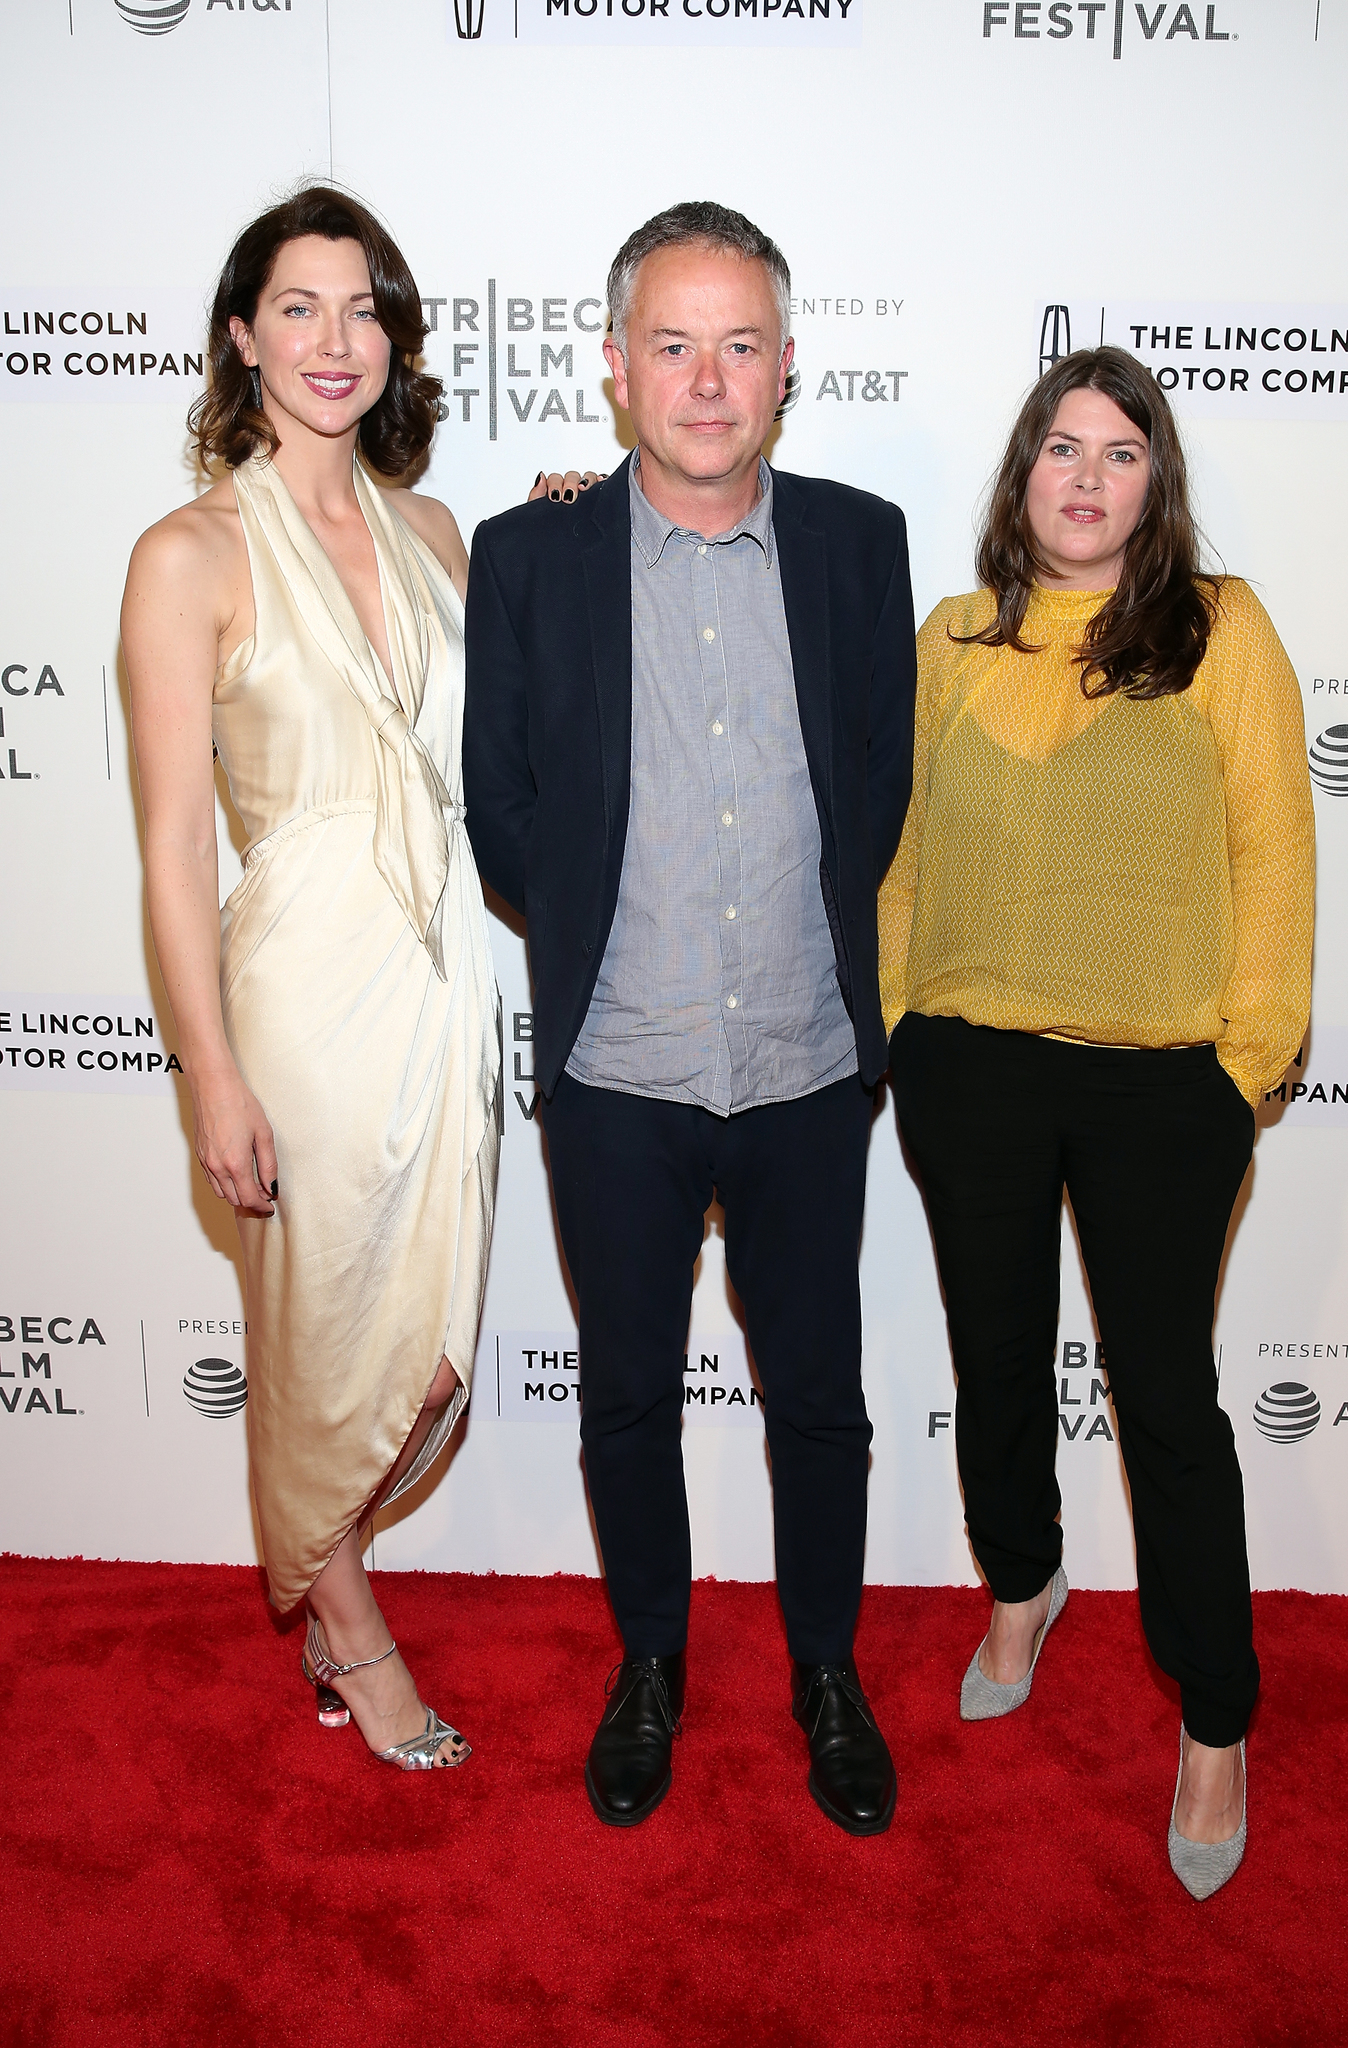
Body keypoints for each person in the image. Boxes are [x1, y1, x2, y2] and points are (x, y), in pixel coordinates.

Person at [464, 201, 917, 1834]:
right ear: (613, 366)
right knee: (629, 1393)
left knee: (820, 1399)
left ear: (787, 366)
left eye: (740, 346)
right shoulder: (529, 558)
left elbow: (875, 787)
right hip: (616, 1065)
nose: (707, 381)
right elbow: (500, 806)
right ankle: (647, 1666)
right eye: (673, 345)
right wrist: (606, 935)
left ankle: (825, 1677)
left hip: (804, 1059)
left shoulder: (864, 544)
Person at [879, 346, 1314, 1896]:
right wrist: (899, 1029)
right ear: (1019, 476)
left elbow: (1270, 852)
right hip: (970, 1068)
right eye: (1058, 448)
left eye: (1117, 452)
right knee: (992, 1361)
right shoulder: (946, 641)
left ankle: (1215, 1718)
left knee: (1169, 1412)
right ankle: (1022, 1582)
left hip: (1159, 1087)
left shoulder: (1219, 629)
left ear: (1155, 481)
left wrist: (1242, 1065)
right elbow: (903, 859)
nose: (1083, 477)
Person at [122, 186, 502, 1770]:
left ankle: (330, 1585)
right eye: (298, 307)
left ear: (394, 336)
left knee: (421, 1355)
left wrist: (564, 527)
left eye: (362, 309)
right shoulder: (188, 552)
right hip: (294, 989)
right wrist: (210, 1066)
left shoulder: (435, 532)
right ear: (241, 334)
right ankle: (347, 1632)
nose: (333, 341)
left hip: (441, 977)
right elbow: (164, 851)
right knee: (313, 1331)